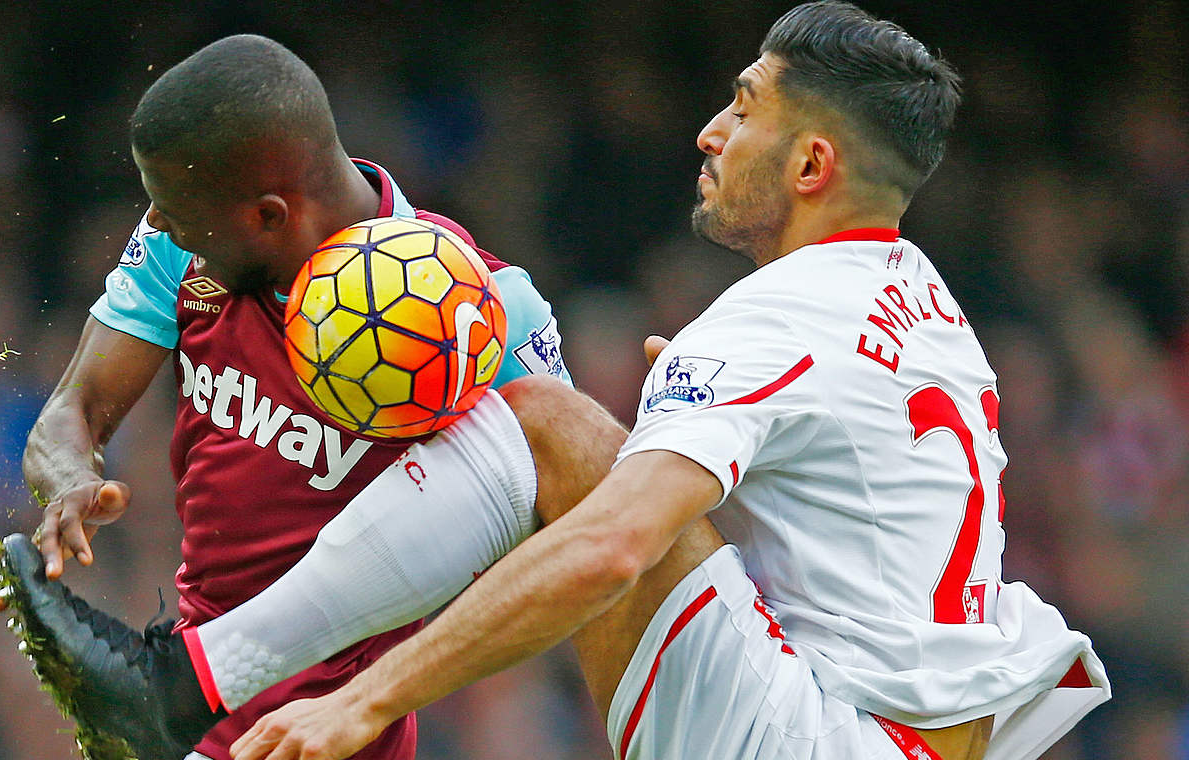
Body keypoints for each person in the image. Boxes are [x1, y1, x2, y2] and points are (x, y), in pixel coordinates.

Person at [223, 3, 1111, 759]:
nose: (710, 131)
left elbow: (610, 551)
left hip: (832, 738)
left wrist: (363, 704)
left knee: (555, 429)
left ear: (811, 165)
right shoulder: (924, 299)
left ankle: (210, 668)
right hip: (937, 731)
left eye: (743, 106)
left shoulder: (772, 320)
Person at [0, 33, 626, 760]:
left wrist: (397, 684)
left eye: (173, 210)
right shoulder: (188, 239)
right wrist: (71, 478)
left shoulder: (481, 311)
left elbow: (574, 534)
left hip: (333, 734)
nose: (159, 224)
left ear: (269, 214)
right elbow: (76, 409)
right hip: (182, 705)